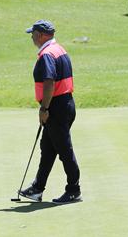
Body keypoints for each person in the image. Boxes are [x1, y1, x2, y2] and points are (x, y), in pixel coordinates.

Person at [19, 20, 82, 203]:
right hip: (65, 103)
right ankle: (37, 188)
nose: (31, 37)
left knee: (64, 149)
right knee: (47, 148)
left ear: (40, 35)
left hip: (56, 107)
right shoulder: (59, 49)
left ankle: (74, 189)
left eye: (33, 34)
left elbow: (49, 82)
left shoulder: (47, 54)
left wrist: (44, 109)